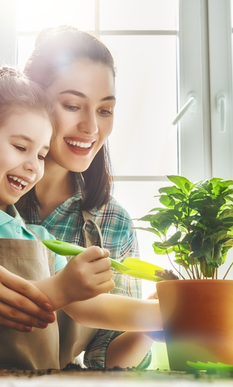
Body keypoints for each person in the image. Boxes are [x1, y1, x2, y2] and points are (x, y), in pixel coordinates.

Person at [0, 67, 161, 369]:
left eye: (41, 155)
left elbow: (87, 306)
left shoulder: (39, 238)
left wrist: (163, 314)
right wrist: (60, 289)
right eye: (20, 148)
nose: (33, 167)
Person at [18, 25, 155, 369]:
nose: (92, 127)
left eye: (105, 110)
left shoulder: (113, 223)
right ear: (31, 99)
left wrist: (159, 317)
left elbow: (108, 360)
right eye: (72, 105)